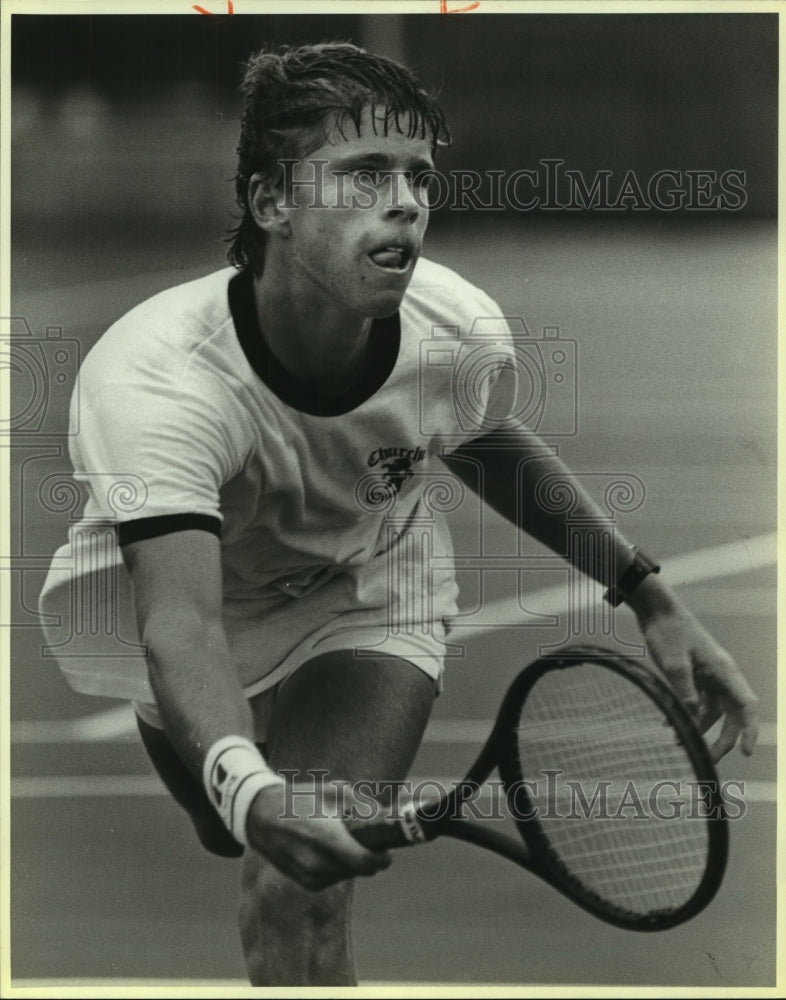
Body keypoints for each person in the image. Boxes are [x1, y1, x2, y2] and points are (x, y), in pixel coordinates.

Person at [39, 42, 758, 986]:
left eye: (419, 175)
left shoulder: (456, 333)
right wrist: (245, 788)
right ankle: (230, 775)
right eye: (364, 172)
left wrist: (651, 595)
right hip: (203, 605)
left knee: (293, 892)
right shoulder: (156, 384)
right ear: (271, 203)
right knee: (241, 830)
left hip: (369, 592)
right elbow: (180, 619)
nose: (407, 200)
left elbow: (487, 445)